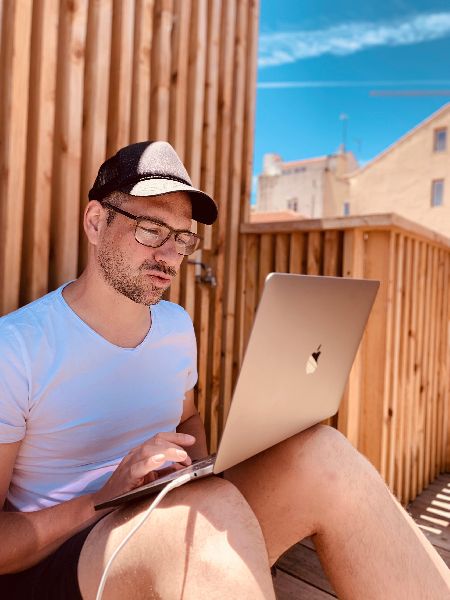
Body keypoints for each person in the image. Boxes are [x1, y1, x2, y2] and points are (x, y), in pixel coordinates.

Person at [0, 141, 448, 600]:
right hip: (63, 564)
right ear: (96, 222)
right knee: (205, 514)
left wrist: (199, 472)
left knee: (323, 453)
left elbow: (188, 418)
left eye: (182, 239)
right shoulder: (16, 348)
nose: (169, 255)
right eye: (151, 229)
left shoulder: (176, 327)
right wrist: (100, 499)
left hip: (164, 512)